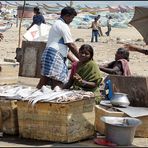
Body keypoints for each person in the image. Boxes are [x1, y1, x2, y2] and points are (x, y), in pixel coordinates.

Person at [36, 7, 79, 90]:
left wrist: (75, 60)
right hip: (55, 55)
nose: (72, 20)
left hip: (49, 53)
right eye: (72, 18)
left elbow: (63, 47)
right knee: (58, 82)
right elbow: (71, 44)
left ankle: (33, 97)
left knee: (43, 81)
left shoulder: (56, 24)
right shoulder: (63, 25)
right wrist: (80, 58)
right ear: (67, 16)